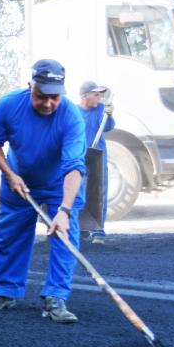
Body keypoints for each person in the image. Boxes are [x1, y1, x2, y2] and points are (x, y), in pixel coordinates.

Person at [0, 59, 87, 323]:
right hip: (18, 181)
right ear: (30, 88)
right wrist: (9, 173)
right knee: (9, 237)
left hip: (58, 185)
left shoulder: (71, 116)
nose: (48, 103)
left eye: (54, 97)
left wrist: (64, 210)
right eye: (41, 97)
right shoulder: (8, 105)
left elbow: (74, 167)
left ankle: (56, 298)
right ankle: (6, 292)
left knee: (64, 236)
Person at [78, 81, 115, 244]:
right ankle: (82, 229)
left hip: (97, 156)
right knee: (79, 191)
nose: (98, 98)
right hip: (79, 156)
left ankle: (98, 230)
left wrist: (110, 113)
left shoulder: (100, 109)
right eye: (95, 94)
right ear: (85, 96)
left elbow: (108, 127)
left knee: (98, 192)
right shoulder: (74, 112)